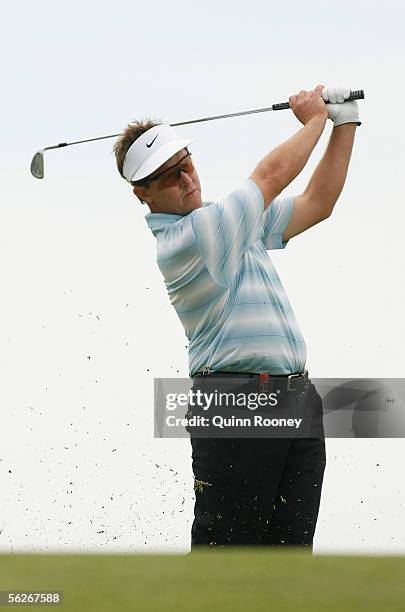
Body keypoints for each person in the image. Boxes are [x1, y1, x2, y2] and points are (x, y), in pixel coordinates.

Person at [114, 84, 361, 551]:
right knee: (227, 558)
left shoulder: (225, 221)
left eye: (186, 163)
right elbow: (270, 176)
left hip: (294, 396)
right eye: (169, 176)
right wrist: (313, 120)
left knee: (289, 558)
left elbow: (316, 205)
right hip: (235, 399)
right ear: (141, 194)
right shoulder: (193, 237)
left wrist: (343, 124)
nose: (186, 178)